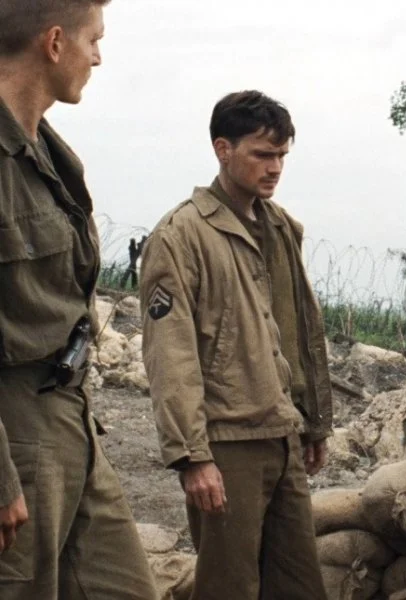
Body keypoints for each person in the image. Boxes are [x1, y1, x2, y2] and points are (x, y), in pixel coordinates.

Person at [140, 91, 333, 600]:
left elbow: (299, 329)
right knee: (229, 586)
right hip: (226, 442)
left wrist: (313, 420)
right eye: (262, 154)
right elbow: (171, 355)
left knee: (299, 586)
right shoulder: (181, 235)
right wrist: (193, 457)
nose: (275, 168)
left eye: (282, 156)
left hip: (282, 433)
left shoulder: (279, 227)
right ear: (222, 149)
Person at [0, 1, 157, 598]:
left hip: (71, 417)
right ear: (54, 42)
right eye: (94, 40)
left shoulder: (48, 152)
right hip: (14, 430)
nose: (98, 57)